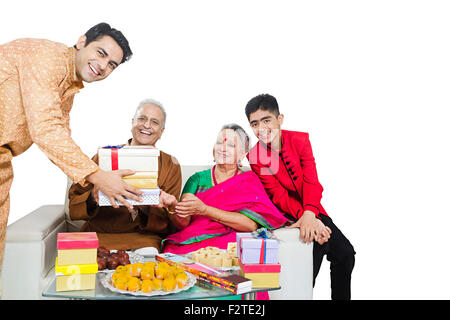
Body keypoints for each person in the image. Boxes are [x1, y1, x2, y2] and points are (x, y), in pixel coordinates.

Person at [0, 23, 143, 271]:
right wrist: (98, 177)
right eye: (101, 53)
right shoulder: (46, 58)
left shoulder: (69, 85)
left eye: (112, 64)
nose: (103, 66)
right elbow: (45, 129)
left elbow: (60, 135)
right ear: (81, 41)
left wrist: (96, 183)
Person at [245, 93, 356, 300]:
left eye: (266, 120)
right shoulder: (255, 156)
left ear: (280, 119)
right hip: (286, 215)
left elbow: (312, 182)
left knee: (345, 253)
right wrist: (306, 218)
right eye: (255, 124)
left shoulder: (301, 140)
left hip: (313, 209)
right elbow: (277, 195)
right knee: (314, 253)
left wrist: (310, 214)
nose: (261, 128)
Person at [68, 99, 182, 251]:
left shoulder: (170, 165)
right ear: (132, 122)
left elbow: (169, 218)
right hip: (100, 234)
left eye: (154, 122)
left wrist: (146, 202)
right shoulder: (104, 156)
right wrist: (94, 197)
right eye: (142, 118)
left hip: (142, 238)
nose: (147, 125)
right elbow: (74, 203)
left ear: (161, 131)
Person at [162, 124, 289, 254]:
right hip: (194, 241)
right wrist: (173, 205)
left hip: (230, 243)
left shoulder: (249, 181)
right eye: (219, 142)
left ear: (242, 154)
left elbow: (250, 225)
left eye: (231, 145)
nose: (223, 148)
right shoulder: (197, 179)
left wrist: (205, 210)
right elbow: (183, 224)